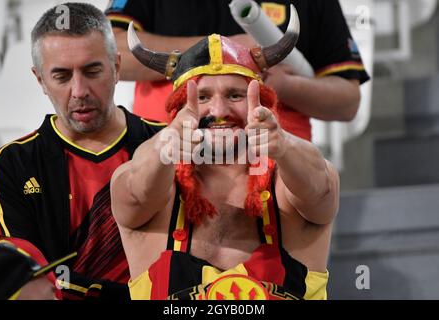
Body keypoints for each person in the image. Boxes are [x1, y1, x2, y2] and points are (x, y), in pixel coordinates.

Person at [110, 9, 339, 300]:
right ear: (181, 105)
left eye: (234, 95)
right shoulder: (152, 174)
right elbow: (135, 193)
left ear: (262, 100)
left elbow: (322, 191)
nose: (218, 112)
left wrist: (282, 145)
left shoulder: (288, 176)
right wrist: (165, 148)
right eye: (203, 97)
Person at [0, 2, 161, 300]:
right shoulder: (11, 166)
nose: (79, 90)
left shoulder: (166, 143)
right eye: (62, 76)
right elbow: (26, 279)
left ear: (116, 67)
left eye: (92, 71)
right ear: (40, 80)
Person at [105, 0, 370, 141]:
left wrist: (285, 86)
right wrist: (220, 48)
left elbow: (347, 102)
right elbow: (111, 52)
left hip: (275, 170)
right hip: (172, 154)